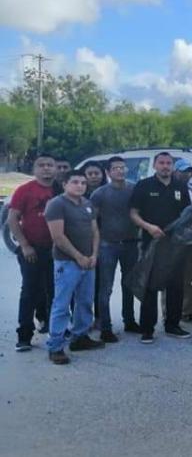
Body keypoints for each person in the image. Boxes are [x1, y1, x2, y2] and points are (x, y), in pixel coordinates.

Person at [129, 152, 192, 343]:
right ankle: (147, 329)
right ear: (155, 165)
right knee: (150, 286)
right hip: (151, 244)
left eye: (168, 163)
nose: (165, 166)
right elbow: (133, 213)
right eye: (161, 163)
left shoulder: (180, 186)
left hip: (175, 245)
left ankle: (173, 325)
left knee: (175, 286)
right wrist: (148, 227)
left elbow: (187, 214)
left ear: (173, 166)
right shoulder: (144, 185)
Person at [44, 170, 104, 364]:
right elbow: (58, 237)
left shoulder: (87, 204)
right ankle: (55, 346)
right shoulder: (56, 205)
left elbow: (95, 231)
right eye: (75, 182)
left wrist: (94, 255)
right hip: (67, 262)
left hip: (89, 262)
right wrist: (78, 257)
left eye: (83, 183)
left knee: (85, 301)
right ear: (64, 184)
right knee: (61, 305)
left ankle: (80, 337)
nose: (80, 186)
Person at [8, 153, 58, 352]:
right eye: (41, 165)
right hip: (32, 249)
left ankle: (53, 328)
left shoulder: (61, 189)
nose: (46, 168)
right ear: (34, 170)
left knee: (54, 291)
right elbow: (12, 220)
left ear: (55, 168)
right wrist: (25, 245)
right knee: (30, 291)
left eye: (50, 165)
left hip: (56, 250)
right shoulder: (24, 191)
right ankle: (24, 335)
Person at [91, 156, 140, 340]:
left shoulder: (134, 189)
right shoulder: (100, 194)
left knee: (129, 284)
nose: (120, 171)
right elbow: (92, 221)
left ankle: (130, 320)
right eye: (116, 168)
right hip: (107, 245)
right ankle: (105, 327)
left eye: (123, 167)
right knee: (106, 287)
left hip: (131, 243)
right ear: (109, 172)